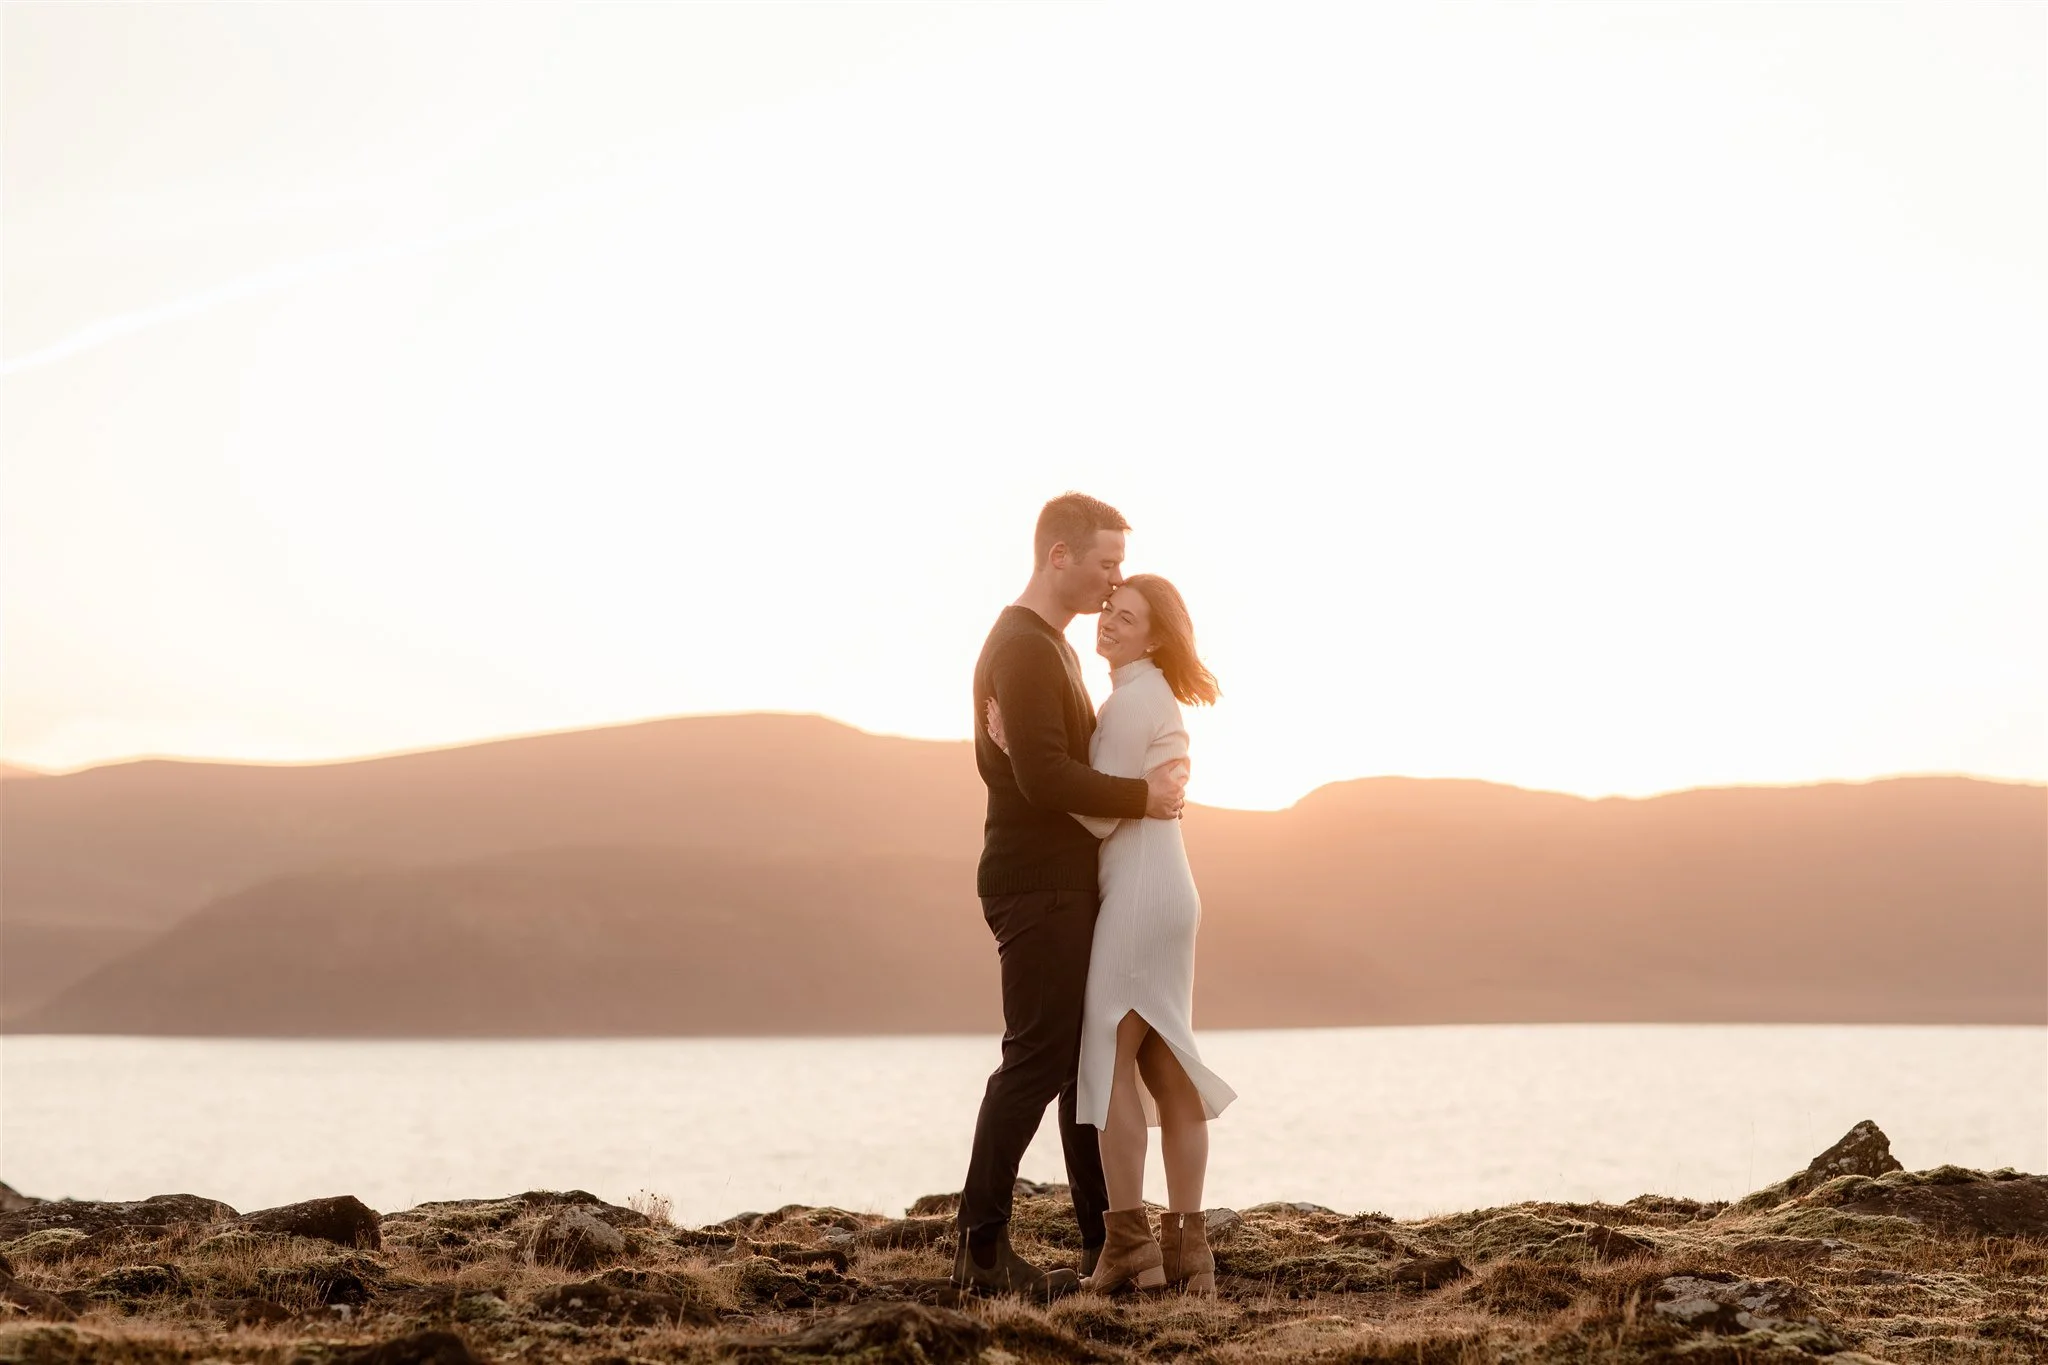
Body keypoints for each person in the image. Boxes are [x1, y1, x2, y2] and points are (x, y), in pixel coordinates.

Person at [953, 493, 1191, 1301]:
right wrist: (1144, 797)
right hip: (1036, 882)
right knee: (1038, 1057)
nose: (1115, 579)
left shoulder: (1049, 645)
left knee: (1077, 1061)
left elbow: (1055, 764)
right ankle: (982, 1250)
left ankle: (1107, 1241)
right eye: (1106, 563)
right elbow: (1045, 777)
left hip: (1062, 878)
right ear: (1060, 556)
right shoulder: (1024, 647)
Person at [987, 572, 1233, 1296]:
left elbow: (1097, 816)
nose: (1109, 622)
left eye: (1127, 618)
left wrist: (1016, 755)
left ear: (1155, 638)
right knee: (1166, 1063)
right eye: (1110, 611)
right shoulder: (1146, 697)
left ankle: (1128, 1243)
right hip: (1166, 890)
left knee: (1109, 1057)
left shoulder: (1132, 703)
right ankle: (1189, 1250)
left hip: (1137, 892)